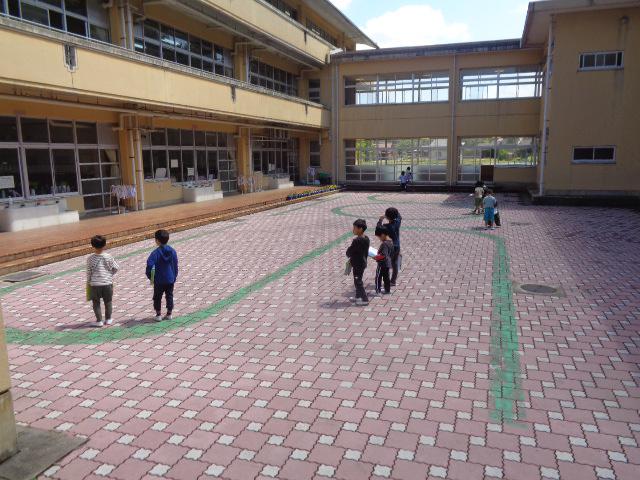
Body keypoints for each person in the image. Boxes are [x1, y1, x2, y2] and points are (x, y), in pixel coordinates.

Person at [86, 235, 119, 327]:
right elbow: (116, 268)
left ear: (92, 245)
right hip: (107, 283)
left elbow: (89, 272)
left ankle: (99, 321)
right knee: (108, 301)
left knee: (96, 303)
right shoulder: (109, 257)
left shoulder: (90, 259)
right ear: (104, 245)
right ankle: (108, 319)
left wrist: (88, 282)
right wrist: (109, 275)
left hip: (95, 284)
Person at [146, 229, 179, 321]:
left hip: (158, 280)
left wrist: (151, 277)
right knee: (169, 296)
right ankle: (169, 314)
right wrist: (174, 276)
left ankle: (158, 315)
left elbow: (149, 265)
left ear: (157, 240)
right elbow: (175, 265)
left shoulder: (155, 253)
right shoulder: (172, 251)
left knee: (157, 297)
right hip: (170, 279)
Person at [346, 219, 370, 305]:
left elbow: (350, 251)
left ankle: (364, 299)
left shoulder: (357, 240)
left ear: (360, 229)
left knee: (358, 281)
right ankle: (358, 296)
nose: (353, 230)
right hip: (362, 262)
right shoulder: (366, 238)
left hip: (358, 264)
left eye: (354, 228)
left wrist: (348, 252)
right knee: (357, 280)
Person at [378, 207, 402, 286]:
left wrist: (380, 219)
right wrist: (392, 213)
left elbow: (378, 228)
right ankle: (393, 281)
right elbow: (399, 216)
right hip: (397, 246)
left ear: (387, 217)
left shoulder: (386, 226)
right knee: (395, 263)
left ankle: (387, 281)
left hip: (389, 247)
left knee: (387, 263)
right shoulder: (397, 222)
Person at [373, 225, 394, 295]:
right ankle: (387, 290)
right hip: (388, 263)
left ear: (382, 235)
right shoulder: (391, 242)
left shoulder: (384, 244)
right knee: (386, 277)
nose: (379, 239)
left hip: (382, 264)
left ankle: (377, 291)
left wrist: (376, 257)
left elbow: (383, 255)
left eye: (379, 237)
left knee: (378, 277)